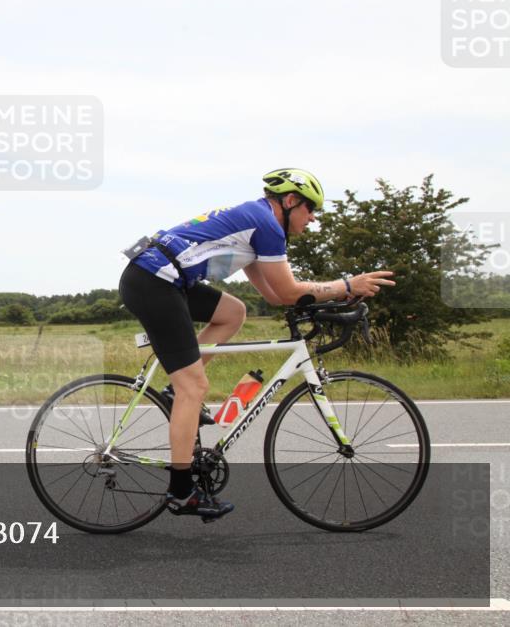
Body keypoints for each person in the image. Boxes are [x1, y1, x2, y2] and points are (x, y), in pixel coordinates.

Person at [119, 168, 395, 520]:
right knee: (195, 387)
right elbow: (290, 290)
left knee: (233, 312)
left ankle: (176, 394)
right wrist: (346, 285)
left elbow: (278, 296)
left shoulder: (258, 229)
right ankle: (181, 491)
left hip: (162, 280)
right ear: (290, 201)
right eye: (310, 210)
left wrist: (336, 302)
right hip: (154, 282)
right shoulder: (264, 223)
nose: (312, 219)